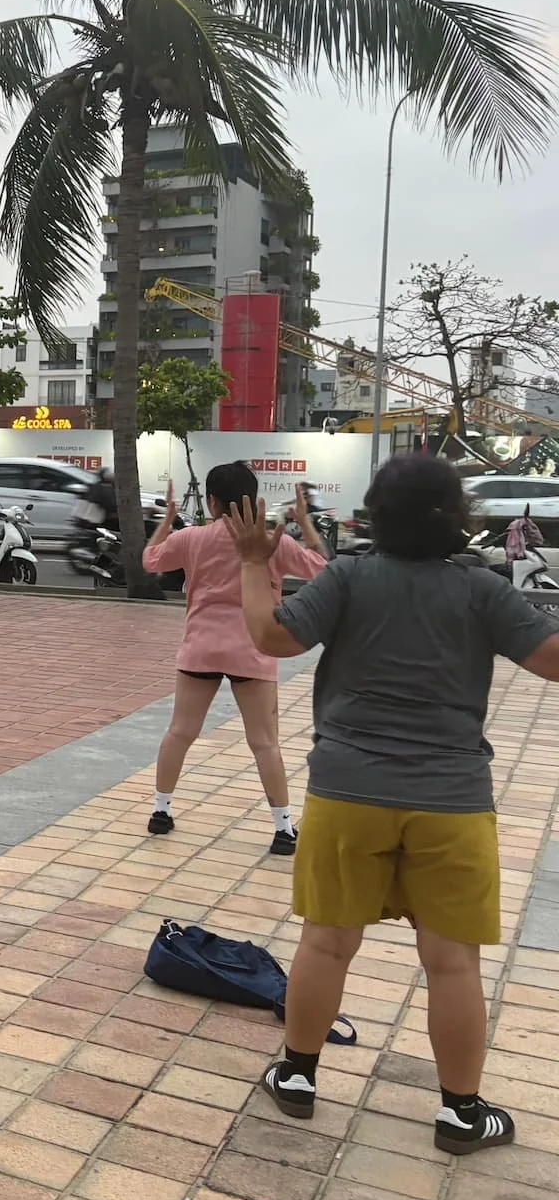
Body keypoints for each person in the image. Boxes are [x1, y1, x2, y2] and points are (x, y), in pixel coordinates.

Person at [226, 455, 559, 1155]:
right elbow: (551, 658)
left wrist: (256, 563)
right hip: (452, 802)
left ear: (377, 513)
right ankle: (461, 1115)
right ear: (456, 516)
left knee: (325, 941)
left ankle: (297, 1076)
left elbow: (270, 638)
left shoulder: (350, 576)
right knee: (453, 963)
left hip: (348, 791)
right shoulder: (480, 589)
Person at [142, 464, 327, 853]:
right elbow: (322, 570)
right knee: (264, 742)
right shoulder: (273, 543)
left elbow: (151, 560)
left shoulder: (191, 538)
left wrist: (169, 520)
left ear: (211, 501)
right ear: (253, 500)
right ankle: (282, 829)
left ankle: (161, 810)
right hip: (255, 649)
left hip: (201, 647)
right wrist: (305, 522)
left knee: (180, 731)